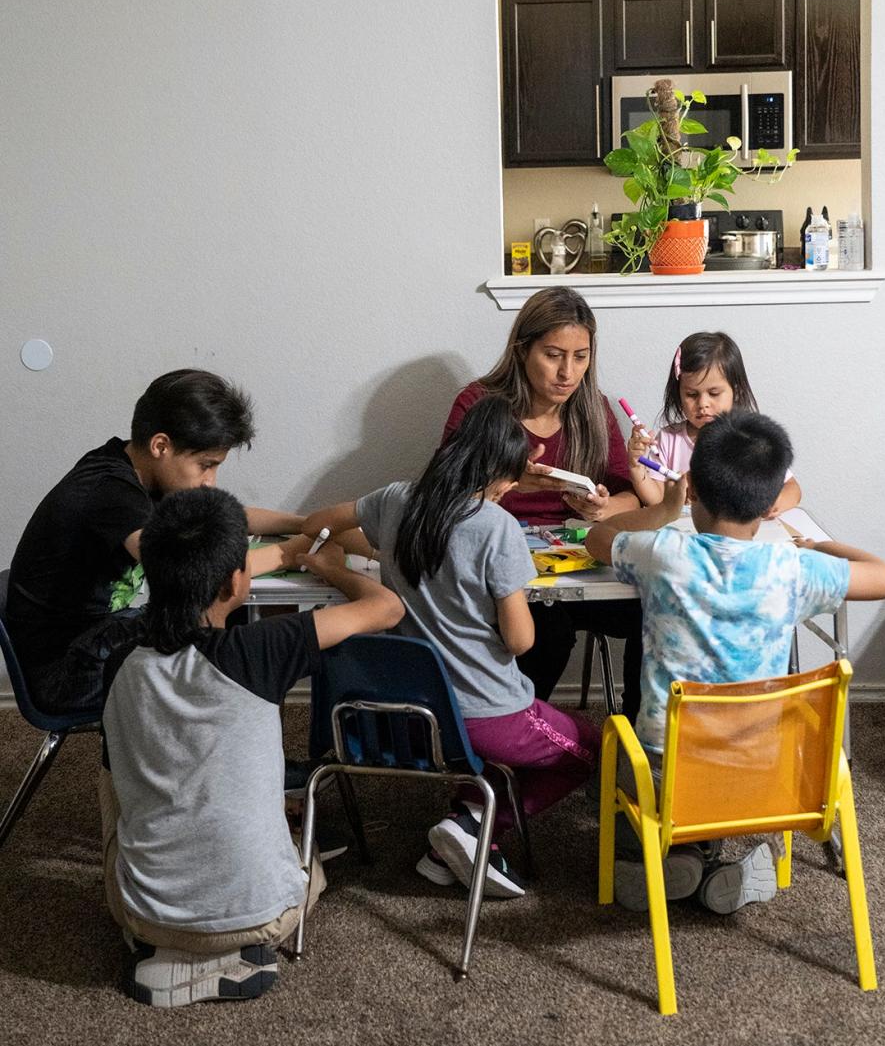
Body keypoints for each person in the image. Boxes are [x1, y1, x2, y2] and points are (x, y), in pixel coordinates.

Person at [586, 409, 885, 915]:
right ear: (771, 498)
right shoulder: (793, 569)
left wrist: (665, 509)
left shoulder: (663, 554)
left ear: (695, 490)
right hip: (765, 774)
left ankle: (671, 857)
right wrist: (817, 546)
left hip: (667, 774)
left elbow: (598, 539)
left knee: (622, 742)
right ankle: (742, 870)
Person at [100, 485, 403, 1007]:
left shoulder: (118, 658)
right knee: (307, 854)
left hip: (143, 911)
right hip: (261, 915)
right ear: (234, 582)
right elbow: (386, 607)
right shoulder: (262, 648)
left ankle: (164, 946)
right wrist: (327, 566)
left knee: (112, 772)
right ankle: (234, 950)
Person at [302, 395, 601, 899]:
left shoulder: (397, 499)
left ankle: (449, 846)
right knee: (592, 748)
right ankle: (473, 824)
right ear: (504, 474)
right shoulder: (497, 527)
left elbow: (319, 524)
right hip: (485, 713)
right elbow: (520, 639)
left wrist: (355, 554)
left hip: (407, 718)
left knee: (484, 757)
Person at [6, 368, 309, 714]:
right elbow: (194, 572)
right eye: (205, 465)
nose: (210, 481)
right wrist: (288, 554)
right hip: (66, 670)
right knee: (222, 647)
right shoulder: (111, 492)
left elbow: (221, 514)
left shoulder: (139, 468)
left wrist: (305, 524)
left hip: (96, 633)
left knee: (229, 629)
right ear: (161, 445)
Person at [441, 287, 644, 719]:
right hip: (502, 571)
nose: (567, 373)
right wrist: (519, 484)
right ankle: (514, 737)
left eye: (581, 356)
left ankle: (638, 737)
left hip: (579, 562)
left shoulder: (593, 408)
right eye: (553, 355)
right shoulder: (479, 405)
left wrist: (602, 509)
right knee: (548, 632)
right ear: (522, 349)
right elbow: (444, 500)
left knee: (658, 609)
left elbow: (632, 496)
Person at [629, 331, 802, 517]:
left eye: (714, 393)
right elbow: (656, 499)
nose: (703, 404)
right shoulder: (668, 438)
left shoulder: (747, 439)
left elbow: (793, 489)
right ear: (678, 393)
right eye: (692, 395)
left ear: (735, 390)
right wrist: (635, 466)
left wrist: (775, 503)